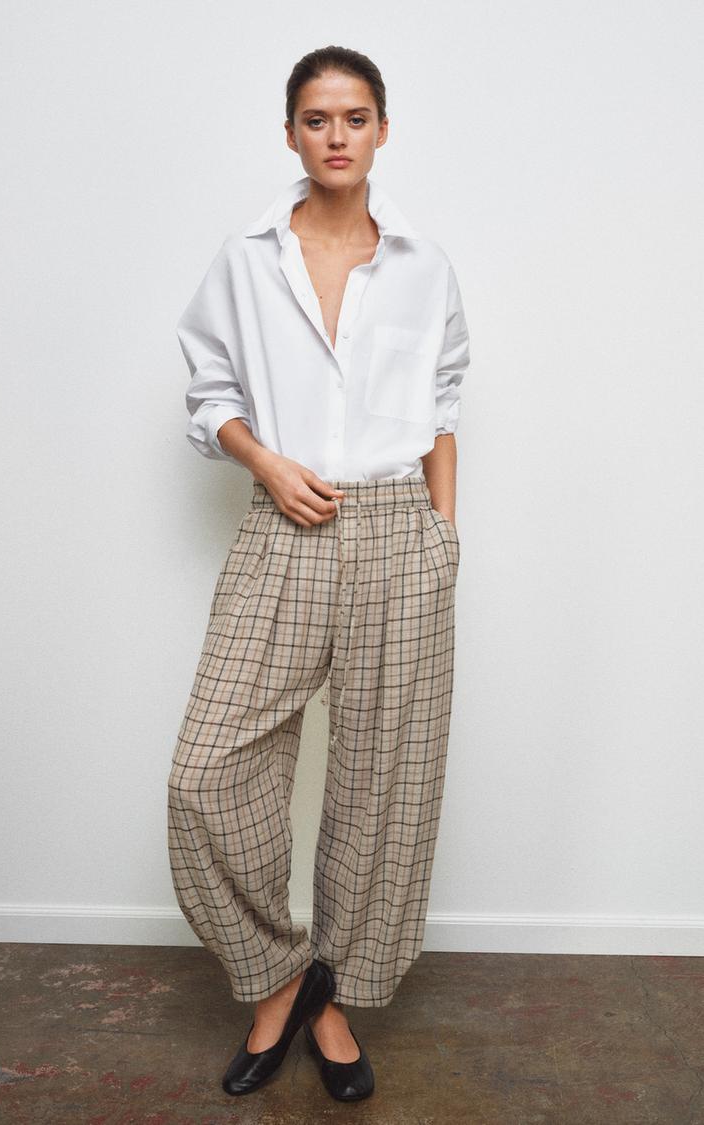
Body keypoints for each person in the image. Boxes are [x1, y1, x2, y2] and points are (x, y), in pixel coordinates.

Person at [167, 45, 471, 1103]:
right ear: (290, 132)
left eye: (354, 117)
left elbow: (442, 405)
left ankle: (332, 999)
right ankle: (279, 975)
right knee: (205, 771)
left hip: (399, 532)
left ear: (383, 129)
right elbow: (208, 391)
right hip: (285, 524)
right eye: (315, 118)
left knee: (384, 781)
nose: (336, 135)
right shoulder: (247, 259)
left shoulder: (424, 266)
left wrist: (443, 537)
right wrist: (264, 462)